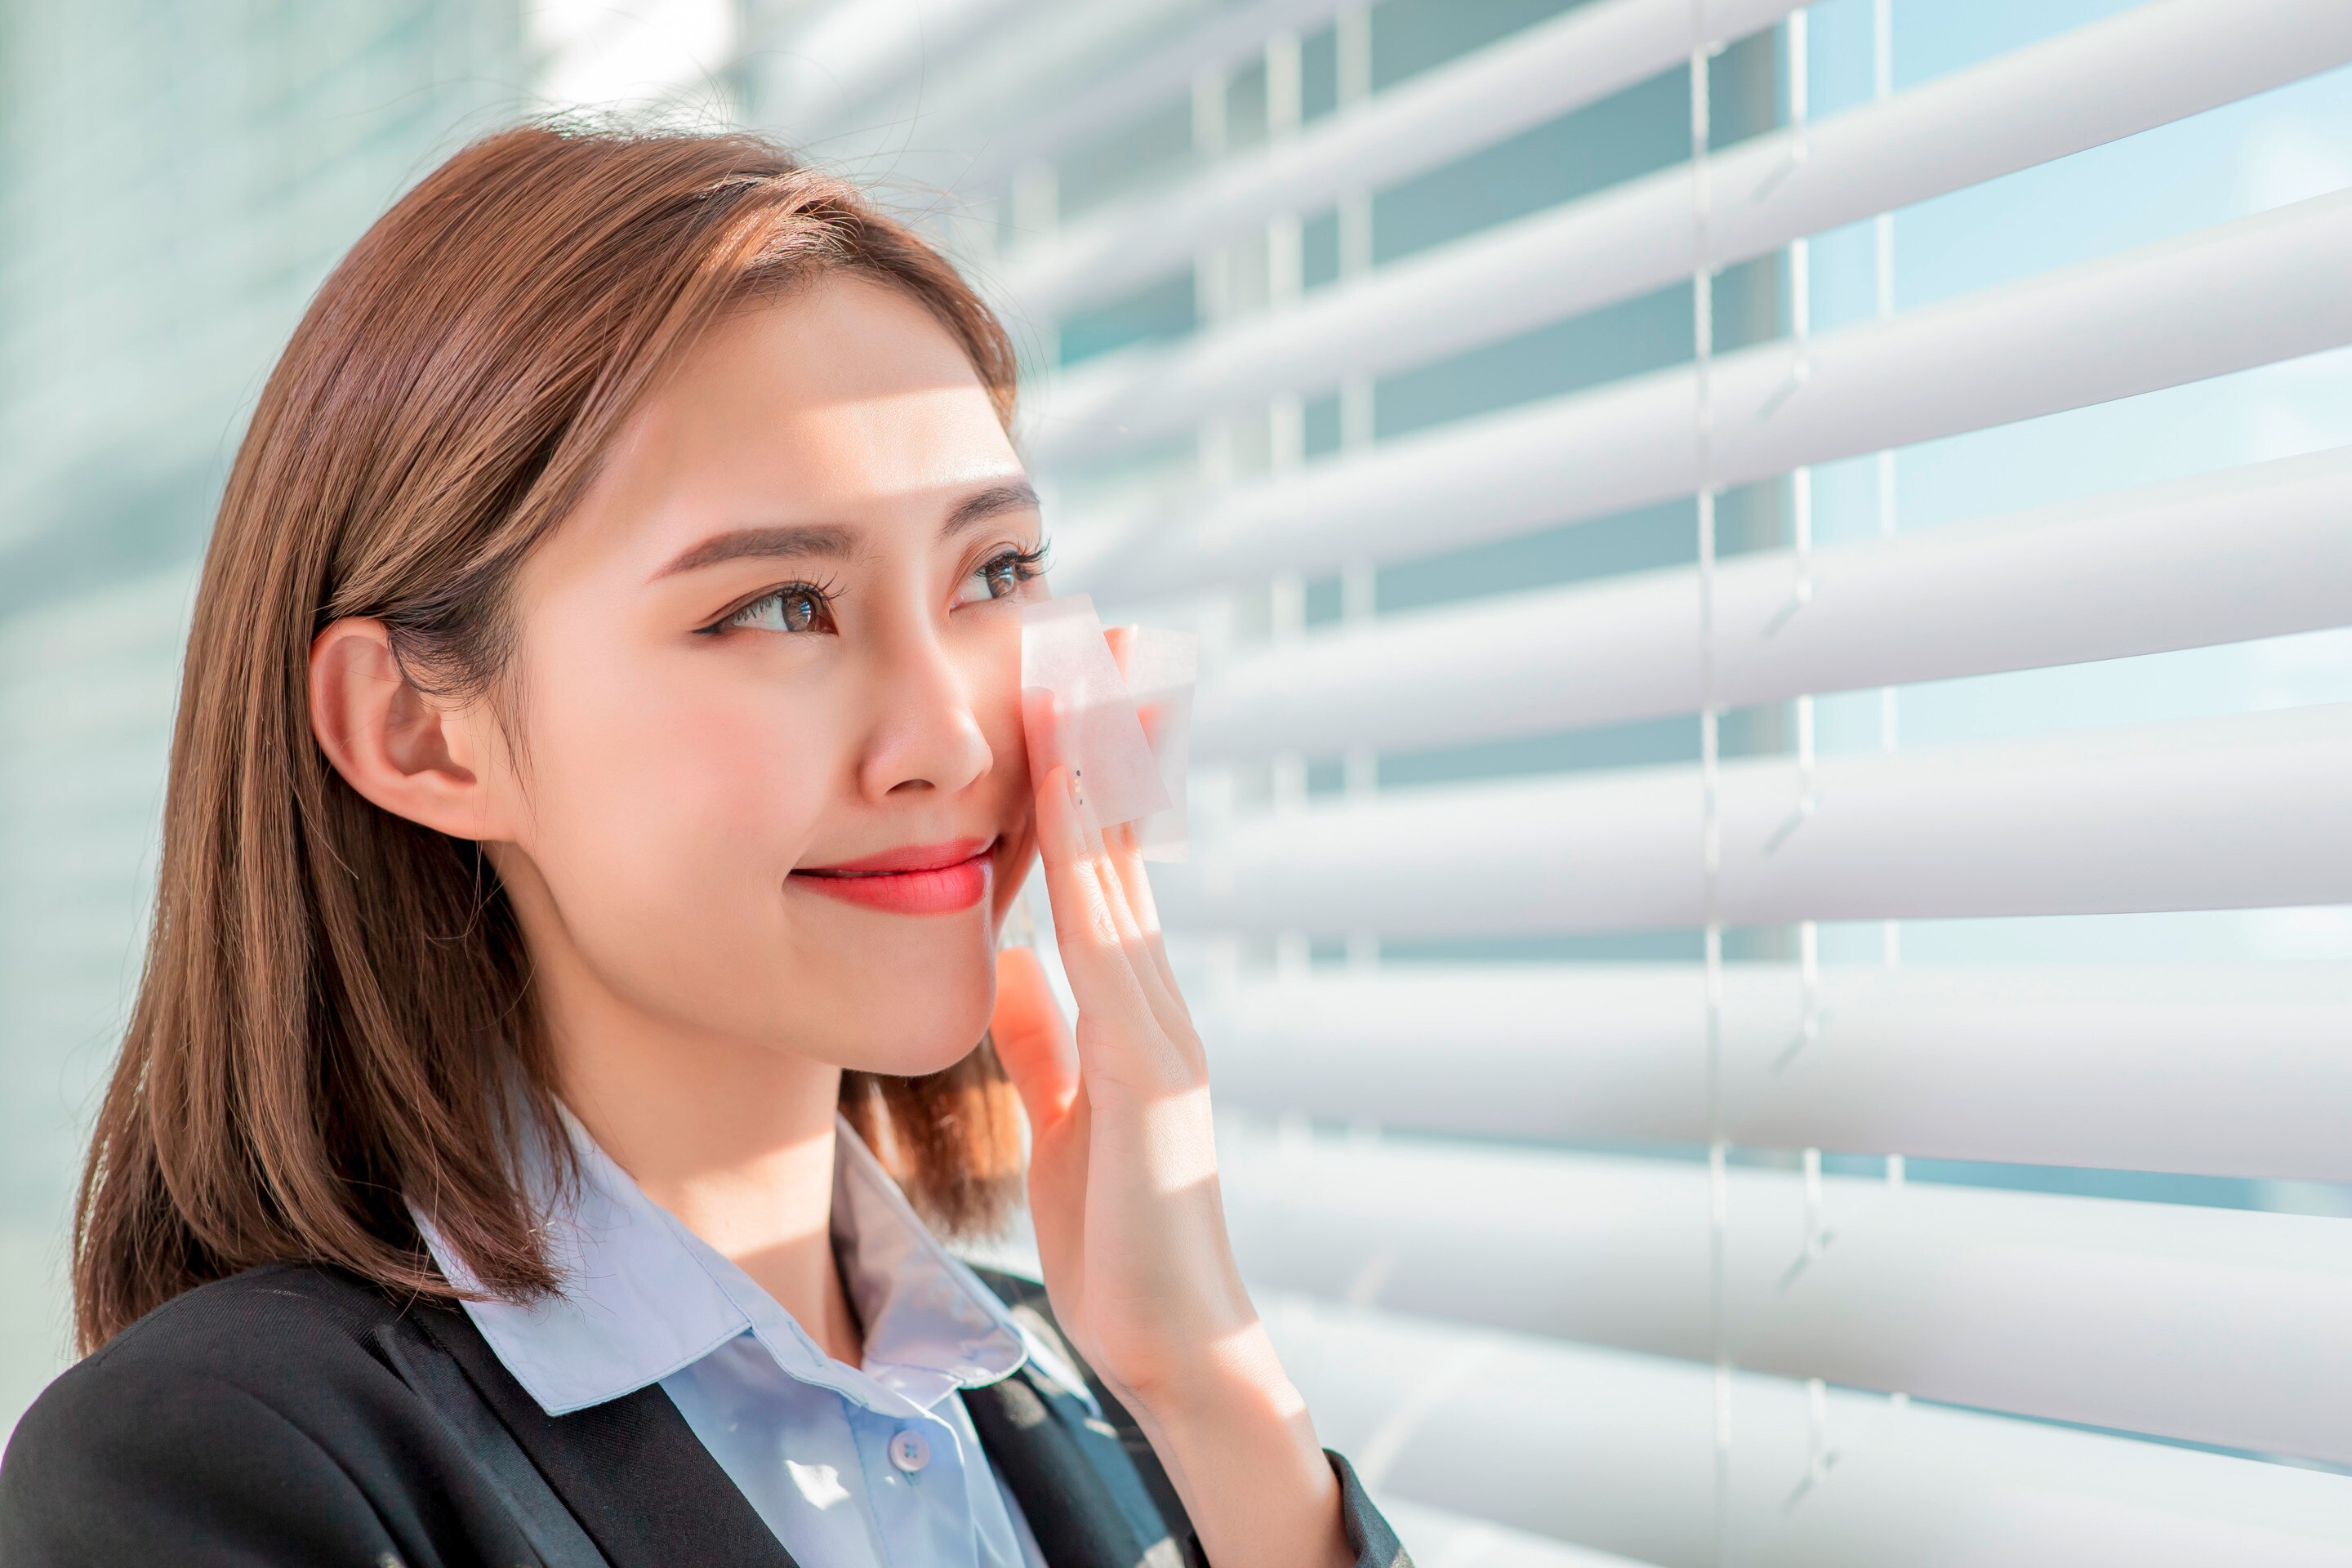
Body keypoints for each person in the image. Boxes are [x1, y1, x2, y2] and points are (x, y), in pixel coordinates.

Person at [0, 125, 1408, 1568]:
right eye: (782, 605)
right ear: (421, 732)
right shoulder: (214, 1469)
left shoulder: (1117, 1411)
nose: (954, 740)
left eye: (995, 574)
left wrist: (1217, 1399)